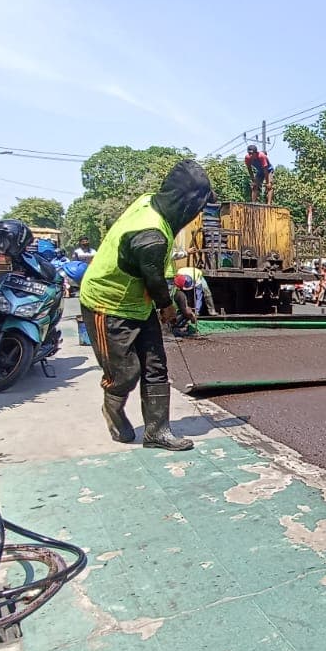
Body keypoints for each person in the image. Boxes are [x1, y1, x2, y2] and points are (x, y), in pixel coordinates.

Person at [79, 159, 215, 451]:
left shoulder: (153, 207)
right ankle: (112, 408)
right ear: (185, 202)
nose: (197, 214)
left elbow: (164, 274)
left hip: (138, 305)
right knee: (125, 372)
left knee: (156, 365)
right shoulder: (150, 234)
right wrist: (168, 308)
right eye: (198, 207)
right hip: (108, 304)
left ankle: (157, 431)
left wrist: (177, 305)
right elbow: (155, 280)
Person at [170, 273, 200, 338]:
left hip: (165, 317)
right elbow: (186, 312)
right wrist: (192, 317)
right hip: (172, 319)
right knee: (189, 313)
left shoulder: (171, 290)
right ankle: (177, 329)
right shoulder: (180, 295)